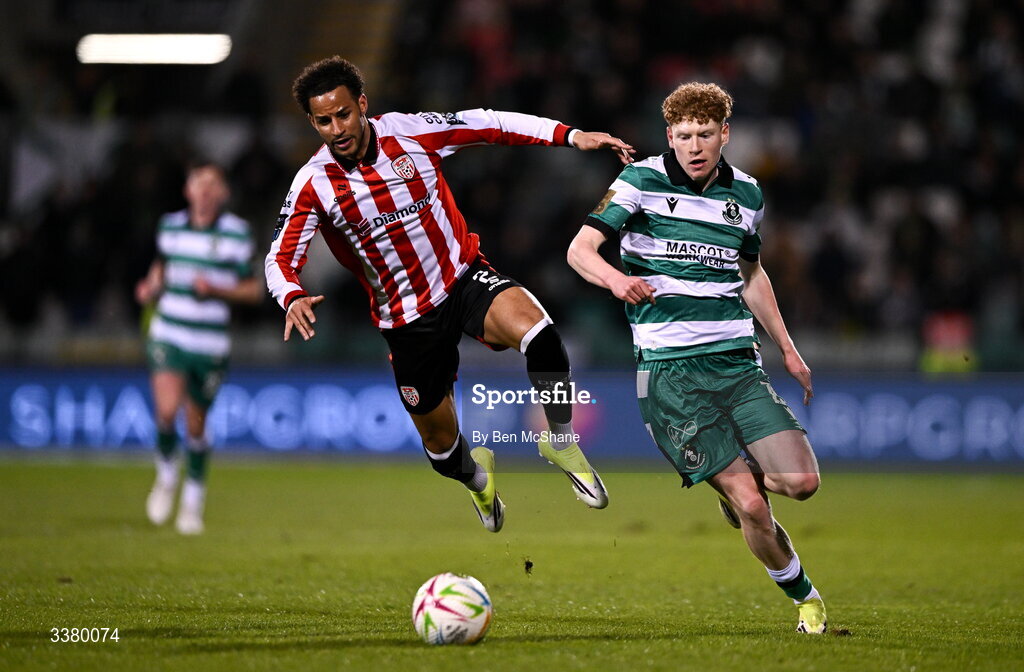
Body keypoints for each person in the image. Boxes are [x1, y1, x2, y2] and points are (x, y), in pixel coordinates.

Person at [266, 56, 635, 532]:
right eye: (323, 120)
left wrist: (568, 135)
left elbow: (490, 123)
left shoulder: (410, 133)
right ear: (312, 122)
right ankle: (479, 481)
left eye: (343, 114)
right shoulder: (313, 185)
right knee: (442, 451)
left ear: (362, 105)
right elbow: (279, 257)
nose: (336, 128)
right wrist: (291, 294)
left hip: (462, 279)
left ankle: (559, 439)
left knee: (541, 335)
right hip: (406, 321)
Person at [567, 82, 827, 633]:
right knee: (755, 506)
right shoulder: (639, 181)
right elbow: (580, 250)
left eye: (705, 134)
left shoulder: (748, 196)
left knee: (802, 482)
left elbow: (751, 274)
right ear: (669, 136)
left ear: (724, 134)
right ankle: (807, 599)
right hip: (671, 375)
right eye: (683, 135)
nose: (694, 145)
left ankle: (736, 479)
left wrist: (788, 348)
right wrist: (618, 281)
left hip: (737, 365)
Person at [136, 162, 263, 534]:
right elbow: (161, 267)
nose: (205, 191)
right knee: (165, 410)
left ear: (222, 193)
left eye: (212, 185)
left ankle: (193, 501)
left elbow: (253, 290)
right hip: (169, 330)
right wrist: (150, 286)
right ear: (188, 190)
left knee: (195, 424)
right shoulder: (170, 226)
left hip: (209, 341)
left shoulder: (236, 235)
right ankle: (165, 475)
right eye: (198, 184)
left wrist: (216, 289)